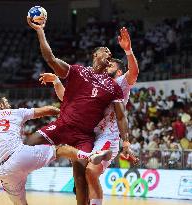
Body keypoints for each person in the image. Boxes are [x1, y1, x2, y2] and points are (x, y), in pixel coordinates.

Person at [26, 17, 132, 205]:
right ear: (95, 55)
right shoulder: (77, 71)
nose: (108, 54)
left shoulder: (113, 86)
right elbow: (50, 58)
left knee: (80, 176)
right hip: (62, 125)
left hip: (84, 136)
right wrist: (40, 31)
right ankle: (8, 175)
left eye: (110, 52)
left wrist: (126, 142)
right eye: (104, 51)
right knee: (29, 143)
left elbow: (122, 116)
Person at [0, 93, 114, 205]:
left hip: (4, 171)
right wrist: (64, 114)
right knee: (60, 149)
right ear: (2, 104)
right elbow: (47, 110)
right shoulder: (13, 112)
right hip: (21, 155)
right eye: (6, 101)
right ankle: (89, 156)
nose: (8, 104)